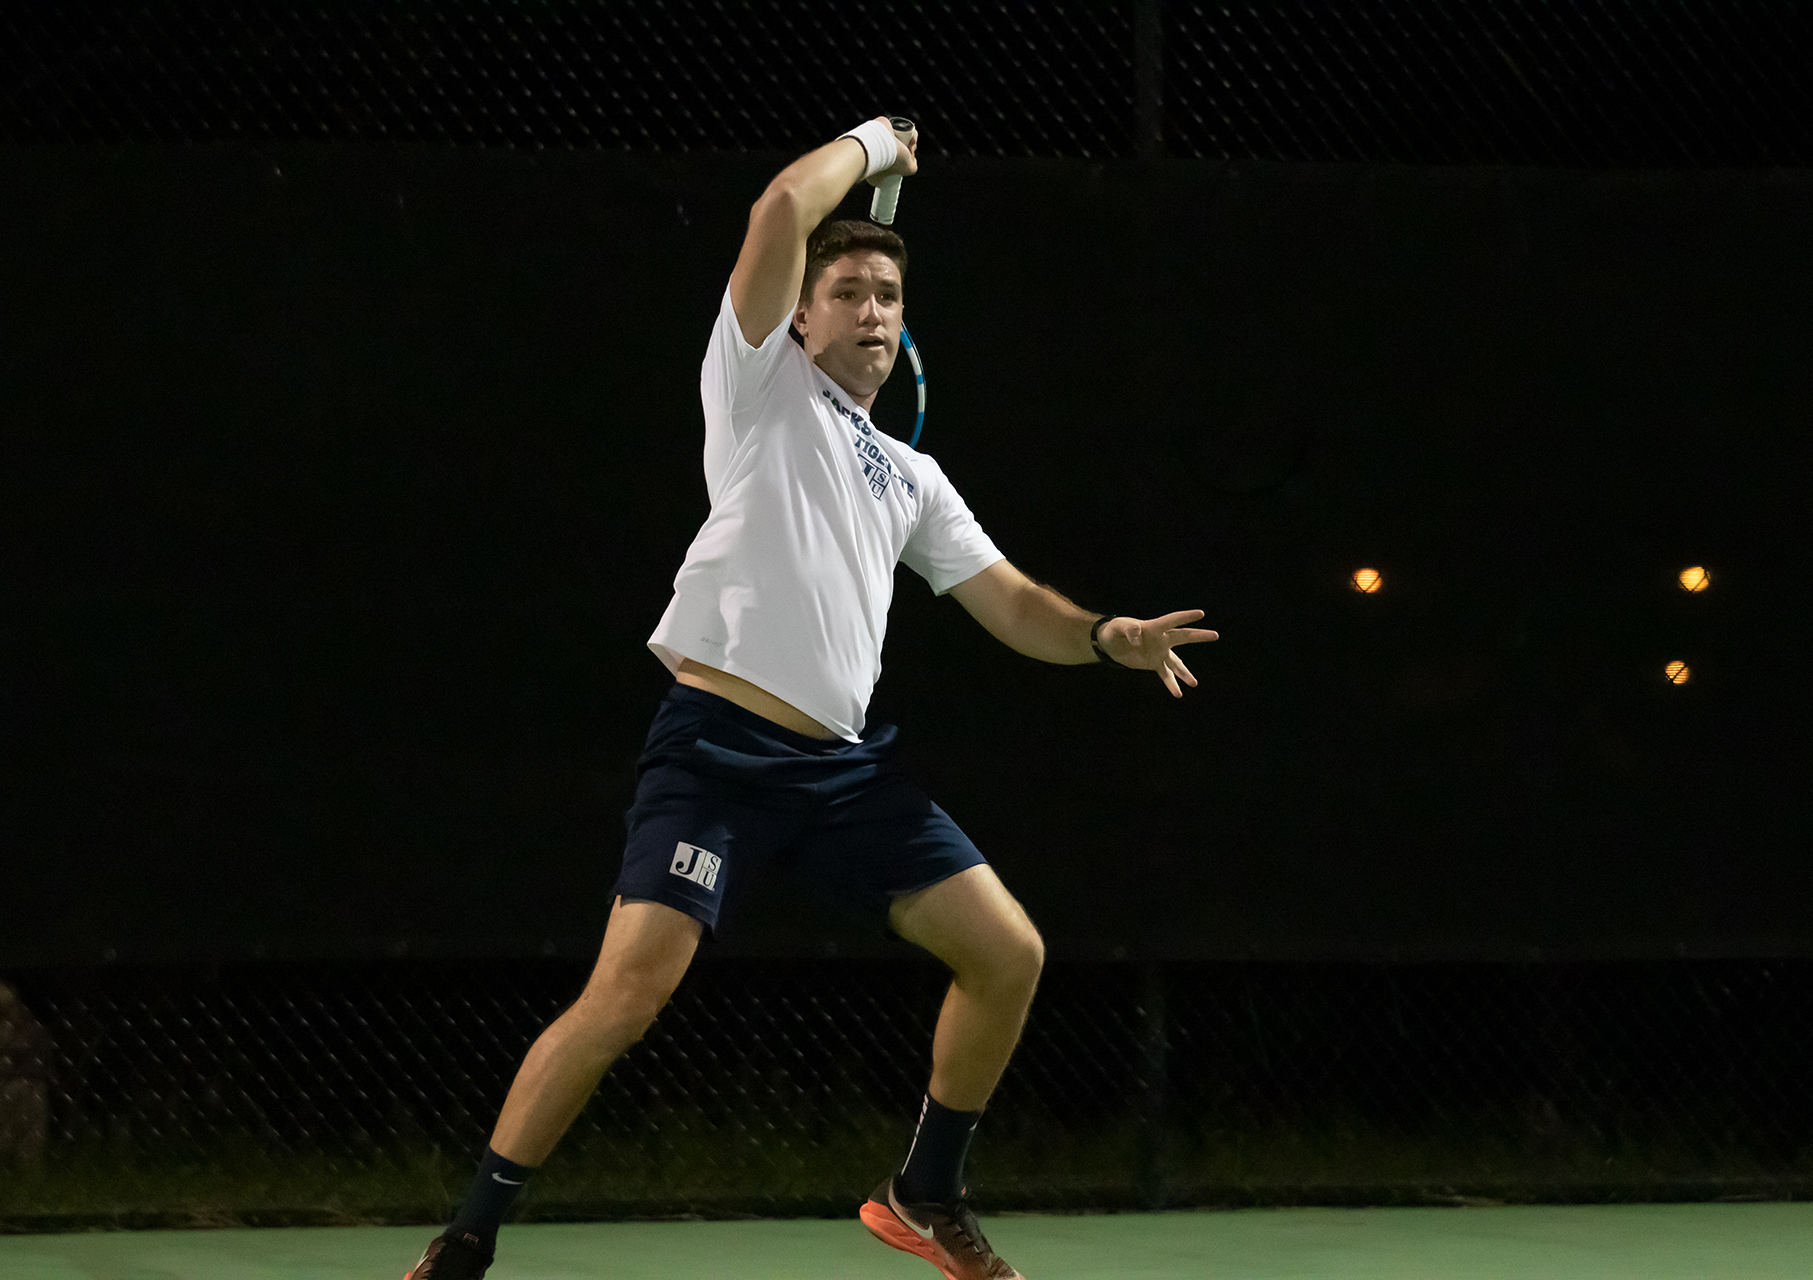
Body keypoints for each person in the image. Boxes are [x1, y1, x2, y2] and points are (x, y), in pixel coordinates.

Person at [405, 115, 1216, 1280]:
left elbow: (1009, 600)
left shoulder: (912, 475)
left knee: (1009, 953)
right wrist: (877, 144)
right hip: (716, 753)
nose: (874, 309)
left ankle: (923, 1190)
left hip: (845, 773)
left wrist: (1105, 634)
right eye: (848, 291)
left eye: (889, 292)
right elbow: (782, 210)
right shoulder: (753, 388)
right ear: (799, 313)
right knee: (626, 994)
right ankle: (469, 1232)